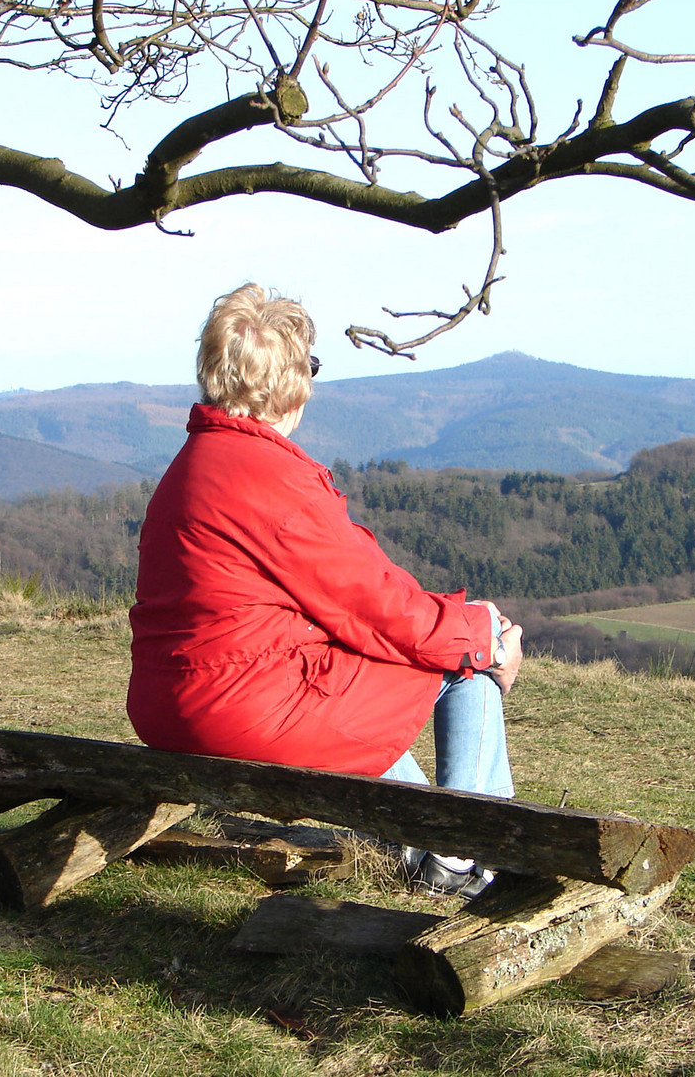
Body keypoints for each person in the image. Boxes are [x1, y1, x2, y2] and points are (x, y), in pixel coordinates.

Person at [126, 283, 524, 897]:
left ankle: (442, 850)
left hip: (176, 698)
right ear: (291, 384)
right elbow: (374, 603)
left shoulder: (195, 463)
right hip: (244, 705)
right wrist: (484, 638)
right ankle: (466, 852)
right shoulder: (270, 478)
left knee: (403, 663)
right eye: (309, 366)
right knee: (463, 662)